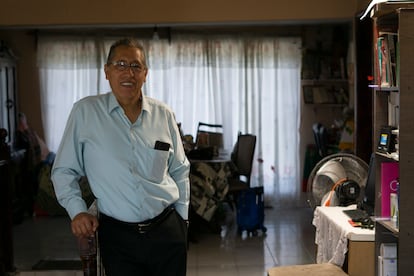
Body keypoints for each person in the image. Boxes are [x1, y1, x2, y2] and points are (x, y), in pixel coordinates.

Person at [51, 38, 190, 276]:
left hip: (167, 231)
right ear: (107, 71)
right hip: (118, 237)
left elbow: (179, 169)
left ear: (145, 73)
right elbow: (63, 171)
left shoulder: (163, 114)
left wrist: (183, 221)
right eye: (120, 64)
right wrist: (78, 211)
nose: (129, 72)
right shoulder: (85, 112)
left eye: (136, 66)